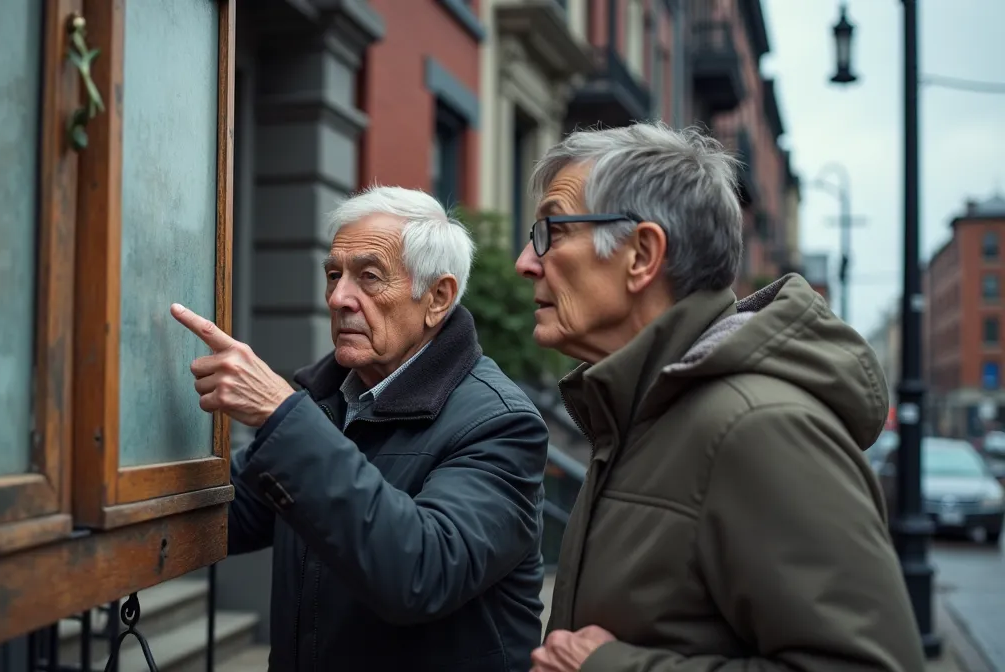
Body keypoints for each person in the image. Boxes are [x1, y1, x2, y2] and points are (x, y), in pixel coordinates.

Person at [517, 123, 925, 672]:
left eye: (551, 231)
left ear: (641, 254)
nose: (526, 260)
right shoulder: (634, 415)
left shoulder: (756, 428)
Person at [170, 186, 550, 671]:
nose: (338, 297)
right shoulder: (328, 403)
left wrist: (281, 415)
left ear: (437, 298)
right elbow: (225, 511)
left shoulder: (501, 424)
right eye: (334, 274)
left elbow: (420, 573)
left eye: (369, 277)